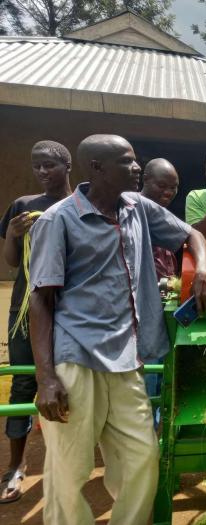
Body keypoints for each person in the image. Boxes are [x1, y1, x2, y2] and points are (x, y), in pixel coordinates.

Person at [28, 134, 206, 525]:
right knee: (69, 468)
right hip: (77, 357)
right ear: (97, 168)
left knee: (142, 457)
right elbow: (41, 301)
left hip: (127, 358)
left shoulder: (137, 207)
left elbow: (193, 234)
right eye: (127, 162)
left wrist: (202, 269)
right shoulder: (58, 220)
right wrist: (45, 378)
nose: (136, 168)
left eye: (135, 161)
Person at [0, 140, 72, 504]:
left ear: (68, 166)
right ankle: (16, 465)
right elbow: (12, 261)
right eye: (36, 165)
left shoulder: (79, 206)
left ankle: (67, 465)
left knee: (72, 382)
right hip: (28, 309)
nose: (42, 171)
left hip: (70, 309)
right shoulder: (23, 206)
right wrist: (14, 235)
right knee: (24, 383)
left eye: (49, 165)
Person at [140, 158, 180, 426]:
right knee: (148, 367)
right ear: (145, 180)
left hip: (163, 305)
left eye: (173, 187)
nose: (168, 192)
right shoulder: (132, 213)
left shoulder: (163, 217)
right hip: (142, 308)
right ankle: (147, 425)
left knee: (162, 365)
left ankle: (157, 419)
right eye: (162, 185)